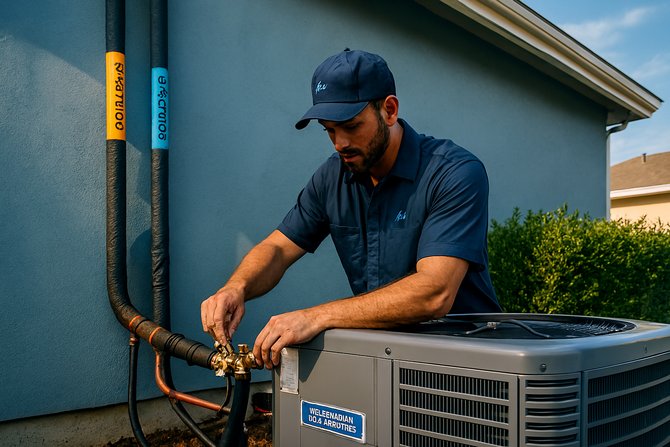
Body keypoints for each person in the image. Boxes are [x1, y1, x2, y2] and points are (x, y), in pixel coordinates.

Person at [201, 49, 501, 370]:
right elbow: (277, 247)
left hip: (468, 363)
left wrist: (315, 317)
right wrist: (236, 287)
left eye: (351, 125)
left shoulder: (453, 172)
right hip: (387, 360)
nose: (339, 143)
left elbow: (435, 292)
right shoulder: (333, 177)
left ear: (389, 110)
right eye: (329, 129)